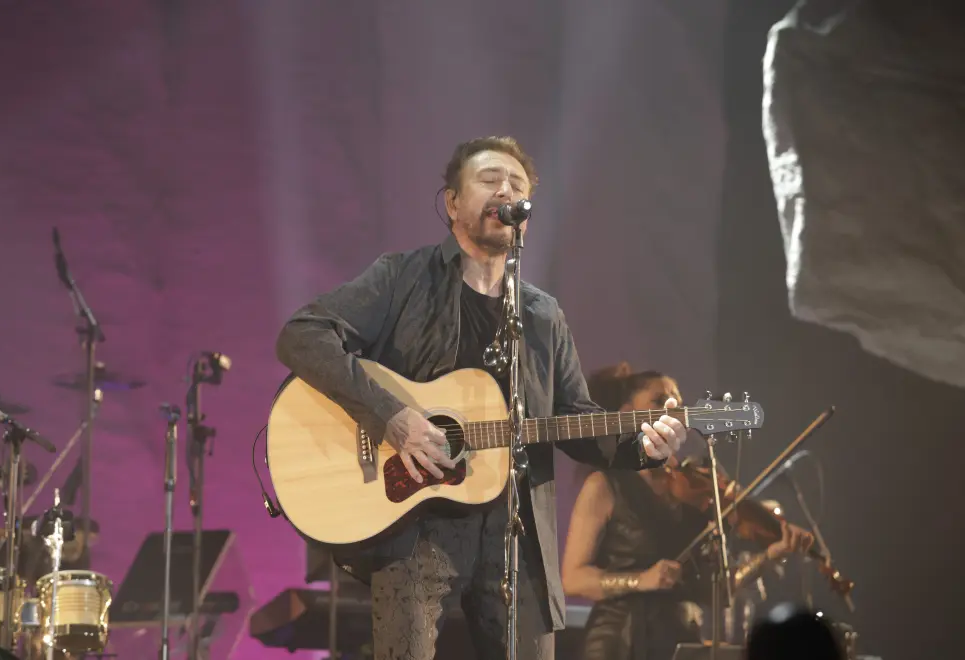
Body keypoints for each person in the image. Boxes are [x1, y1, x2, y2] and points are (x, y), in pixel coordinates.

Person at [275, 136, 687, 660]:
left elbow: (573, 419)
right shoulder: (403, 278)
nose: (506, 190)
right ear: (452, 203)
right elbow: (302, 334)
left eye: (517, 184)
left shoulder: (542, 316)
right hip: (416, 530)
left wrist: (640, 447)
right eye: (490, 179)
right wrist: (390, 416)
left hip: (517, 535)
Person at [561, 363, 814, 660]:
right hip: (620, 643)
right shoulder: (604, 485)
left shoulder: (697, 489)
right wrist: (640, 580)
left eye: (678, 404)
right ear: (628, 414)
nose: (674, 411)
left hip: (681, 642)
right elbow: (573, 578)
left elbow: (717, 588)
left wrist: (769, 556)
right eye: (659, 401)